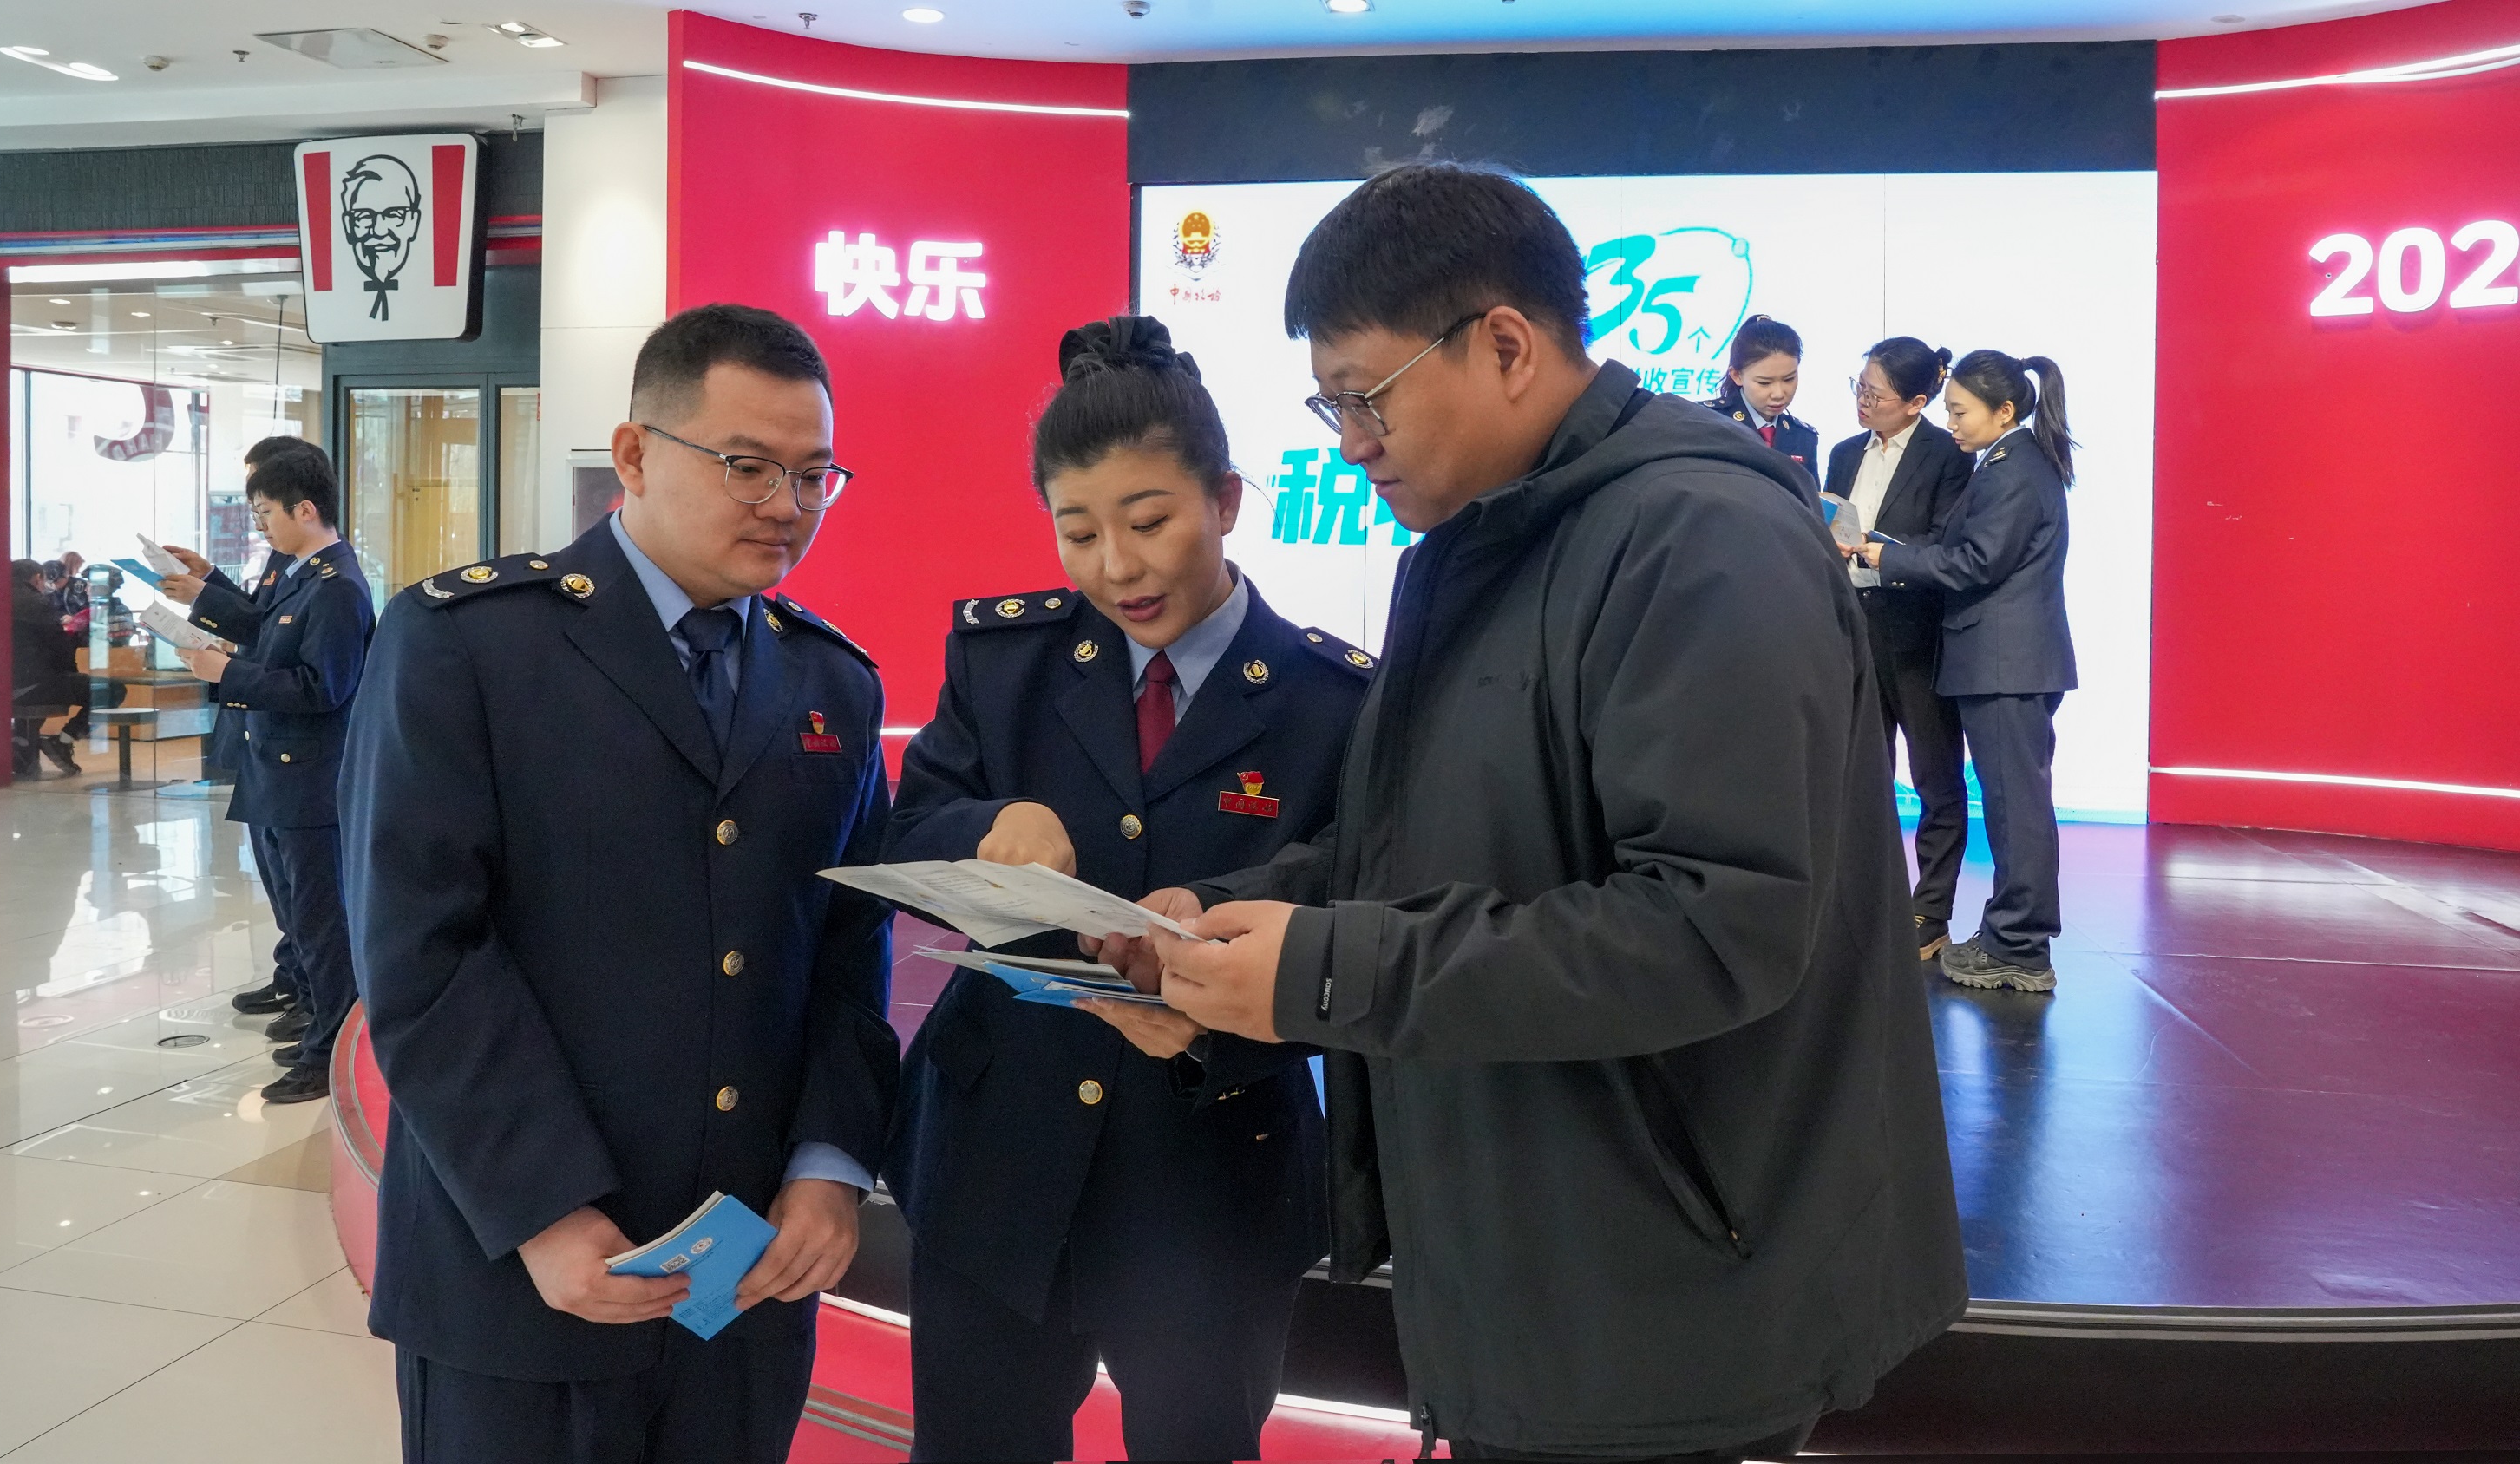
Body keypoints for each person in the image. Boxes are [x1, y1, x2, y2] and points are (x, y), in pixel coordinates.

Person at [1096, 163, 1966, 1461]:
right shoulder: (1495, 541)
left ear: (1505, 344)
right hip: (1544, 1256)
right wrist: (1231, 928)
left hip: (1667, 1293)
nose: (1349, 442)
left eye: (1366, 397)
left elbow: (1713, 926)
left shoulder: (1699, 539)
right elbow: (1444, 846)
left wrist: (1327, 971)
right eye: (1329, 405)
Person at [338, 304, 898, 1464]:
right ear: (635, 455)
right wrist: (543, 1209)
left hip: (742, 1280)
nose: (786, 504)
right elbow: (422, 952)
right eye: (747, 465)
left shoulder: (830, 682)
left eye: (814, 476)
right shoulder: (468, 645)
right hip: (517, 1267)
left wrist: (829, 1167)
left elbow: (848, 951)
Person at [883, 316, 1371, 1463]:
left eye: (1149, 522)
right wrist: (984, 829)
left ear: (1226, 501)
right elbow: (909, 830)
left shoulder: (1331, 700)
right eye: (1079, 530)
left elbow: (1358, 899)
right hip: (996, 1162)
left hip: (1210, 1177)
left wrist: (1213, 998)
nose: (1116, 566)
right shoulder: (1006, 660)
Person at [1849, 350, 2077, 994]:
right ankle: (2011, 936)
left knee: (2016, 809)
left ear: (2003, 411)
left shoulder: (2014, 468)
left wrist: (1886, 559)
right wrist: (1888, 550)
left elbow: (1976, 562)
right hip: (2003, 663)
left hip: (2006, 664)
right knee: (2010, 807)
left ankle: (2020, 946)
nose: (1951, 424)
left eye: (1959, 412)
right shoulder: (2008, 462)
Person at [173, 449, 375, 1101]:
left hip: (310, 781)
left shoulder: (337, 586)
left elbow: (323, 688)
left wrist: (227, 674)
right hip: (277, 771)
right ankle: (320, 1026)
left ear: (305, 509)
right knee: (299, 914)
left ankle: (330, 1054)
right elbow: (266, 633)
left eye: (266, 514)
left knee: (322, 923)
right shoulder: (301, 574)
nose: (260, 527)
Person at [1823, 338, 1974, 960]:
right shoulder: (1844, 452)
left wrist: (1874, 548)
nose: (1863, 402)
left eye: (1875, 394)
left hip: (1917, 631)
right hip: (1852, 625)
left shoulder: (1948, 456)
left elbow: (1944, 546)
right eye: (1858, 387)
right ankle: (1863, 898)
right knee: (1859, 772)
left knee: (1936, 776)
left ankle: (1929, 910)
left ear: (1916, 402)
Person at [160, 435, 317, 1026]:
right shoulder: (286, 557)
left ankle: (316, 998)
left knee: (307, 889)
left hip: (291, 744)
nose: (259, 520)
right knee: (279, 878)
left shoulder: (324, 572)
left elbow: (276, 640)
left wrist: (206, 599)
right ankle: (294, 973)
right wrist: (211, 581)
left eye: (264, 507)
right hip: (261, 734)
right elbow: (264, 617)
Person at [1704, 314, 1818, 482]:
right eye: (1764, 383)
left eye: (1789, 379)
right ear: (1737, 375)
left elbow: (1809, 497)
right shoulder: (1706, 421)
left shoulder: (1803, 437)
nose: (1778, 394)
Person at [10, 559, 85, 777]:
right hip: (35, 682)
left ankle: (24, 757)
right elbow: (58, 645)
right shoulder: (37, 603)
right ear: (37, 578)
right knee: (109, 691)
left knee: (33, 698)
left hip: (2, 684)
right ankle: (63, 740)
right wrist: (70, 672)